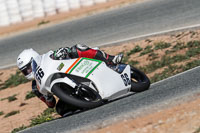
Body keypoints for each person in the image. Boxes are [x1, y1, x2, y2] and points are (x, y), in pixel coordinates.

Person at [17, 44, 123, 116]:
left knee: (76, 48)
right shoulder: (36, 87)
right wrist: (47, 97)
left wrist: (64, 52)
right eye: (25, 71)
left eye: (28, 68)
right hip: (69, 94)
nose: (28, 72)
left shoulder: (47, 56)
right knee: (60, 110)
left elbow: (64, 51)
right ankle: (84, 105)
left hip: (76, 70)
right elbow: (51, 105)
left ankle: (110, 60)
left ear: (34, 59)